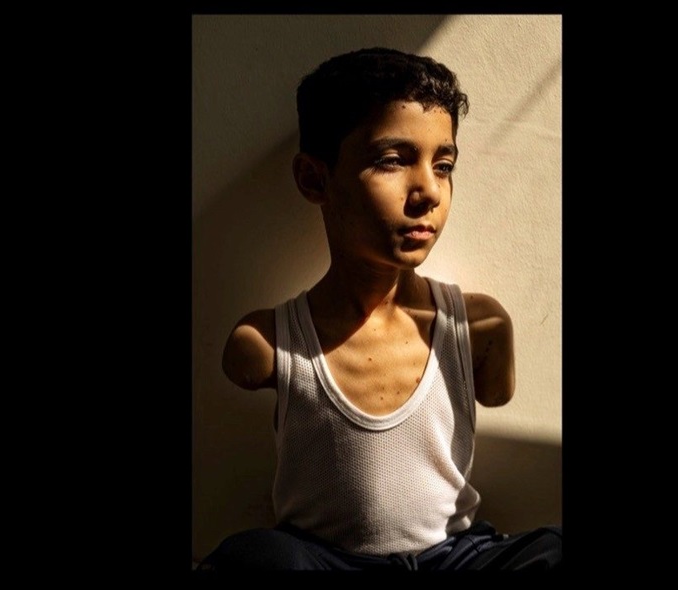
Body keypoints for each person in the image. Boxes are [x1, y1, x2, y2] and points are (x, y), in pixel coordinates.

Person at [196, 47, 562, 572]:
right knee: (255, 559)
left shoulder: (478, 328)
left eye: (443, 165)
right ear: (314, 179)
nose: (428, 191)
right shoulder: (269, 342)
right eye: (392, 160)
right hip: (327, 561)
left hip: (454, 559)